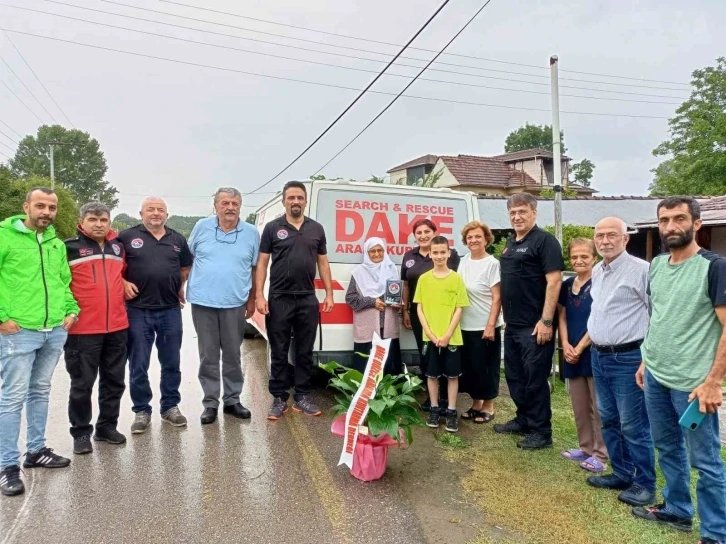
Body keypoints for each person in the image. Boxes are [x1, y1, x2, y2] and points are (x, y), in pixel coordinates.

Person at [632, 197, 726, 544]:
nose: (671, 226)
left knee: (706, 462)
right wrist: (646, 360)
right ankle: (677, 510)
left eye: (679, 219)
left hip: (693, 387)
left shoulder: (715, 267)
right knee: (666, 448)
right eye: (664, 220)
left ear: (696, 224)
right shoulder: (656, 265)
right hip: (657, 376)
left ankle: (716, 533)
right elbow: (660, 318)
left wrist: (714, 382)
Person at [0, 187, 79, 497]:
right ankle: (7, 465)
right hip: (18, 332)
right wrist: (2, 317)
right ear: (26, 207)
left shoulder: (55, 244)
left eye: (52, 207)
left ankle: (36, 451)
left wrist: (71, 310)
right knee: (11, 397)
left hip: (54, 329)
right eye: (41, 206)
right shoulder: (5, 236)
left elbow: (63, 281)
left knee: (40, 391)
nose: (47, 212)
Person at [586, 216, 656, 507]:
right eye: (600, 235)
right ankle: (622, 472)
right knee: (610, 419)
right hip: (599, 355)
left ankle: (645, 484)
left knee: (634, 424)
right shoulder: (597, 270)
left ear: (626, 238)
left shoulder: (642, 271)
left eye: (612, 235)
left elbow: (657, 315)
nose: (605, 240)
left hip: (629, 357)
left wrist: (647, 357)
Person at [256, 181, 334, 421]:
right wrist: (259, 294)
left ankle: (302, 397)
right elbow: (262, 263)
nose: (296, 202)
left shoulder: (316, 229)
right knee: (278, 350)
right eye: (291, 198)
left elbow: (323, 262)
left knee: (304, 350)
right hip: (279, 297)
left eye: (300, 197)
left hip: (307, 299)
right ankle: (279, 398)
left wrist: (329, 293)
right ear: (284, 201)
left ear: (305, 201)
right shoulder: (272, 228)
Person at [494, 193, 564, 450]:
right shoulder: (511, 242)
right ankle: (523, 419)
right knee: (515, 376)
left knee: (535, 379)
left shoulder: (545, 241)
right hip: (512, 324)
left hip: (535, 326)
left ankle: (541, 431)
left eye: (522, 211)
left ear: (534, 212)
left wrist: (546, 321)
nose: (517, 217)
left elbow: (554, 281)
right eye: (513, 213)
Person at [118, 197, 193, 434]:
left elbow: (184, 268)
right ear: (141, 213)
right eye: (151, 209)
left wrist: (179, 286)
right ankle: (142, 410)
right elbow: (112, 266)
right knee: (138, 364)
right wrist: (122, 281)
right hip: (137, 310)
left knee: (171, 362)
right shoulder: (127, 237)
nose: (156, 213)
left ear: (167, 215)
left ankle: (170, 407)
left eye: (160, 210)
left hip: (170, 309)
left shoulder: (177, 239)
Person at [187, 188, 259, 425]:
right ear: (215, 205)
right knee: (208, 355)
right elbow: (188, 260)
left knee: (232, 354)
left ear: (240, 206)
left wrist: (252, 298)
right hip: (203, 301)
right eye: (225, 203)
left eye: (235, 203)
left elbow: (255, 268)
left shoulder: (251, 233)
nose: (230, 207)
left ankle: (232, 400)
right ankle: (210, 403)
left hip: (234, 303)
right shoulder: (201, 227)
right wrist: (180, 285)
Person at [64, 202, 129, 455]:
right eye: (93, 219)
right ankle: (81, 433)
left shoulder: (117, 247)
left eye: (103, 219)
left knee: (114, 381)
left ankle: (106, 427)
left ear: (109, 222)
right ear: (82, 221)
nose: (99, 224)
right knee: (82, 384)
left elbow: (120, 275)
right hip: (82, 330)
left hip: (116, 327)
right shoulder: (68, 248)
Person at [557, 238, 608, 473]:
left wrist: (579, 347)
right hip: (570, 352)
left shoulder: (600, 283)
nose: (579, 261)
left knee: (598, 406)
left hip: (593, 351)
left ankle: (601, 453)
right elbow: (563, 317)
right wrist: (566, 344)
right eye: (575, 257)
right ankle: (585, 448)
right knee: (579, 405)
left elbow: (598, 319)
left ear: (594, 258)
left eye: (584, 257)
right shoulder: (567, 285)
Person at [401, 218, 460, 410]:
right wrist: (405, 311)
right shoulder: (409, 256)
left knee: (446, 353)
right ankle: (432, 395)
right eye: (419, 232)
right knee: (426, 353)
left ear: (434, 233)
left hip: (444, 313)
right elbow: (406, 285)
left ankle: (445, 396)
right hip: (419, 313)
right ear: (414, 236)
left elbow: (454, 283)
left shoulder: (449, 255)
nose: (423, 235)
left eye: (427, 231)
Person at [414, 235, 469, 433]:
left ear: (449, 253)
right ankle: (435, 409)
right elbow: (419, 308)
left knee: (452, 376)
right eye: (435, 252)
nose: (438, 256)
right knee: (431, 374)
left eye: (442, 252)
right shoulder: (424, 279)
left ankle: (451, 411)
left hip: (451, 338)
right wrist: (429, 332)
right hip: (430, 338)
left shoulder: (456, 279)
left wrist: (447, 334)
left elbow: (459, 309)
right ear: (430, 254)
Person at [458, 221, 502, 424]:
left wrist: (491, 325)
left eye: (478, 236)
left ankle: (489, 407)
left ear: (486, 239)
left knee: (487, 367)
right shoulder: (464, 260)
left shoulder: (492, 263)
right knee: (472, 367)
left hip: (485, 325)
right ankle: (476, 404)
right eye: (470, 237)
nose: (473, 240)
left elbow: (497, 297)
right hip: (466, 324)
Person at [345, 237, 402, 375]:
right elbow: (350, 298)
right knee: (366, 365)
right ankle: (366, 395)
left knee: (389, 362)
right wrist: (372, 302)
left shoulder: (391, 269)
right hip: (368, 327)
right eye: (372, 251)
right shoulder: (359, 272)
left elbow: (396, 294)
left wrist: (397, 303)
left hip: (387, 327)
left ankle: (389, 395)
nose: (376, 254)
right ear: (367, 253)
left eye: (380, 250)